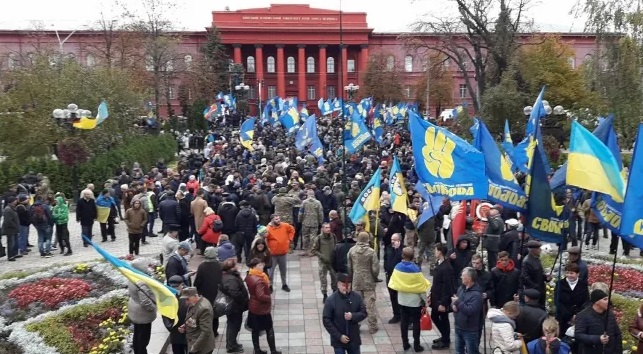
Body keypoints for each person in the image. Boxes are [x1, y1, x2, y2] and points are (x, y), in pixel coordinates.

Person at [387, 247, 431, 352]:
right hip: (414, 302)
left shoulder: (397, 267)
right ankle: (417, 345)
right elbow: (421, 287)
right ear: (413, 257)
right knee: (416, 323)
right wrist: (425, 301)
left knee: (404, 322)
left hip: (402, 300)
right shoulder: (416, 269)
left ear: (402, 256)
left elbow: (393, 283)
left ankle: (405, 343)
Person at [322, 273, 368, 354]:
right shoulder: (331, 300)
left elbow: (364, 312)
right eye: (344, 285)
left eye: (348, 285)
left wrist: (353, 316)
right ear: (338, 285)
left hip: (353, 338)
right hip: (338, 340)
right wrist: (339, 336)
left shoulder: (357, 297)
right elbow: (326, 320)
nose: (346, 288)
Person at [245, 258, 282, 354]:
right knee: (269, 329)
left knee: (255, 330)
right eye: (260, 265)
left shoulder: (250, 275)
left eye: (262, 265)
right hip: (261, 309)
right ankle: (273, 351)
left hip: (253, 307)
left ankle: (257, 350)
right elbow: (261, 296)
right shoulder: (259, 280)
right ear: (254, 267)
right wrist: (269, 298)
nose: (262, 267)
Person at [347, 231, 380, 334]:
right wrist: (375, 278)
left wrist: (352, 277)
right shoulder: (371, 252)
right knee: (370, 305)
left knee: (355, 304)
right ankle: (373, 326)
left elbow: (349, 267)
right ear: (367, 239)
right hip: (368, 281)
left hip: (356, 280)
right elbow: (375, 268)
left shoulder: (352, 251)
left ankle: (356, 324)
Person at [575, 289, 623, 354]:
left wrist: (618, 351)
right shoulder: (583, 315)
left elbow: (617, 334)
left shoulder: (610, 314)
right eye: (605, 299)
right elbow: (579, 335)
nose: (608, 301)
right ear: (596, 301)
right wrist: (598, 339)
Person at [452, 267, 483, 354]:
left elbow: (471, 310)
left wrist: (457, 302)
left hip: (470, 330)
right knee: (458, 351)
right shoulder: (461, 288)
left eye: (463, 276)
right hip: (459, 327)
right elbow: (455, 300)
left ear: (469, 279)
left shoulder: (476, 295)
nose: (461, 277)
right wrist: (453, 305)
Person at [128, 259, 157, 354]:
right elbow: (145, 301)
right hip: (142, 313)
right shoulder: (142, 282)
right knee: (143, 338)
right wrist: (153, 308)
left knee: (137, 335)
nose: (148, 267)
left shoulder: (132, 276)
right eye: (146, 265)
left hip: (135, 310)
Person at [220, 258, 249, 353]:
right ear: (231, 268)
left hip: (235, 306)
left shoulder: (228, 276)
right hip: (235, 307)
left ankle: (232, 343)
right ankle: (231, 346)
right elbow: (235, 293)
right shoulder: (231, 279)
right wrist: (243, 298)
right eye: (235, 265)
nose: (237, 266)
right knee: (234, 326)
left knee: (232, 325)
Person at [430, 245, 455, 350]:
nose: (435, 252)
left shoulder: (446, 267)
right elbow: (436, 282)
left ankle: (445, 340)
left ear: (440, 252)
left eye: (436, 250)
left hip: (441, 299)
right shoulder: (439, 264)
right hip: (436, 296)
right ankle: (444, 336)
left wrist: (443, 303)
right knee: (435, 316)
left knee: (443, 319)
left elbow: (447, 286)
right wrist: (430, 294)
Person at [193, 247, 222, 339]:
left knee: (205, 312)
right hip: (216, 293)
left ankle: (206, 331)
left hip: (204, 293)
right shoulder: (219, 265)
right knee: (215, 313)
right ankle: (214, 331)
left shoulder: (202, 266)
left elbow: (197, 282)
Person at [555, 263, 589, 338]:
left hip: (578, 318)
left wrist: (577, 315)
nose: (569, 275)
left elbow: (586, 301)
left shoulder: (583, 284)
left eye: (572, 273)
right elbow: (557, 302)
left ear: (578, 274)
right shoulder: (560, 283)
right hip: (563, 318)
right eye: (567, 272)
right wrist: (569, 316)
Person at [180, 287, 216, 354]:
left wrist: (194, 348)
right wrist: (185, 325)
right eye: (185, 299)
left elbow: (205, 332)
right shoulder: (194, 303)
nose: (186, 302)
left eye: (188, 299)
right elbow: (195, 319)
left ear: (196, 296)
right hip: (195, 342)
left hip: (202, 347)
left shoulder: (204, 309)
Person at [266, 214, 295, 292]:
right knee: (271, 272)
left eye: (279, 219)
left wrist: (290, 239)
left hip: (283, 254)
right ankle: (270, 285)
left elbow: (292, 230)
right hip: (272, 255)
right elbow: (265, 240)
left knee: (283, 270)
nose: (278, 220)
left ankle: (284, 284)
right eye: (276, 219)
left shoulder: (285, 225)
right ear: (271, 220)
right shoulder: (268, 229)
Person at [312, 222, 338, 302]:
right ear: (322, 229)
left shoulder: (333, 236)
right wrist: (322, 256)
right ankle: (325, 294)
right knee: (323, 279)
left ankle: (334, 292)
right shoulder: (319, 238)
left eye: (329, 227)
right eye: (326, 228)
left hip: (332, 262)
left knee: (335, 278)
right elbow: (314, 250)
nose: (328, 229)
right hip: (323, 262)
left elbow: (336, 246)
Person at [521, 240, 551, 306]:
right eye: (538, 248)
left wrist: (546, 277)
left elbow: (539, 273)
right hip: (533, 292)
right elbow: (525, 278)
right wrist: (536, 287)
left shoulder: (537, 259)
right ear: (532, 250)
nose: (540, 250)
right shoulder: (527, 261)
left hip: (540, 289)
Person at [164, 275, 189, 354]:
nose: (174, 289)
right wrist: (171, 327)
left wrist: (187, 326)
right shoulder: (167, 297)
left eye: (176, 287)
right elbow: (165, 315)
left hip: (189, 331)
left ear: (182, 285)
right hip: (175, 333)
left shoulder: (189, 295)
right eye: (172, 287)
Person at [384, 233, 403, 324]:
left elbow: (399, 259)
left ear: (399, 241)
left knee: (400, 296)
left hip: (399, 277)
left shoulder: (403, 249)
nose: (392, 241)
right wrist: (385, 268)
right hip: (390, 276)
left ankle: (402, 315)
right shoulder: (388, 248)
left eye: (395, 240)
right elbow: (386, 259)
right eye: (392, 239)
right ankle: (396, 315)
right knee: (393, 297)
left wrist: (397, 249)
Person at [298, 189, 324, 256]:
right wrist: (321, 221)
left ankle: (305, 250)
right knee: (313, 236)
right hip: (315, 222)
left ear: (307, 194)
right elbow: (320, 213)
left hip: (305, 221)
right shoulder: (318, 202)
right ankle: (312, 251)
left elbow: (301, 212)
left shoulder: (304, 202)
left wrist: (299, 220)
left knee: (305, 236)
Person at [2, 196, 20, 261]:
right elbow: (8, 221)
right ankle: (10, 256)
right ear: (12, 201)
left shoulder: (12, 208)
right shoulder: (8, 209)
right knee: (11, 243)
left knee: (14, 242)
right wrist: (15, 225)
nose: (16, 201)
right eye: (15, 200)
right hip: (10, 229)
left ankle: (14, 254)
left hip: (14, 229)